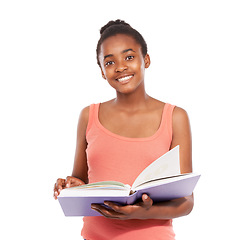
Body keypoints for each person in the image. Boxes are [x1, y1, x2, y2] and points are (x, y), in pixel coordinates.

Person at [54, 19, 193, 240]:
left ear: (145, 60)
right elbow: (81, 181)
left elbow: (186, 202)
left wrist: (143, 212)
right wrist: (71, 186)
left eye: (129, 57)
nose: (120, 67)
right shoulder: (88, 116)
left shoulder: (175, 117)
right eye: (109, 62)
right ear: (101, 70)